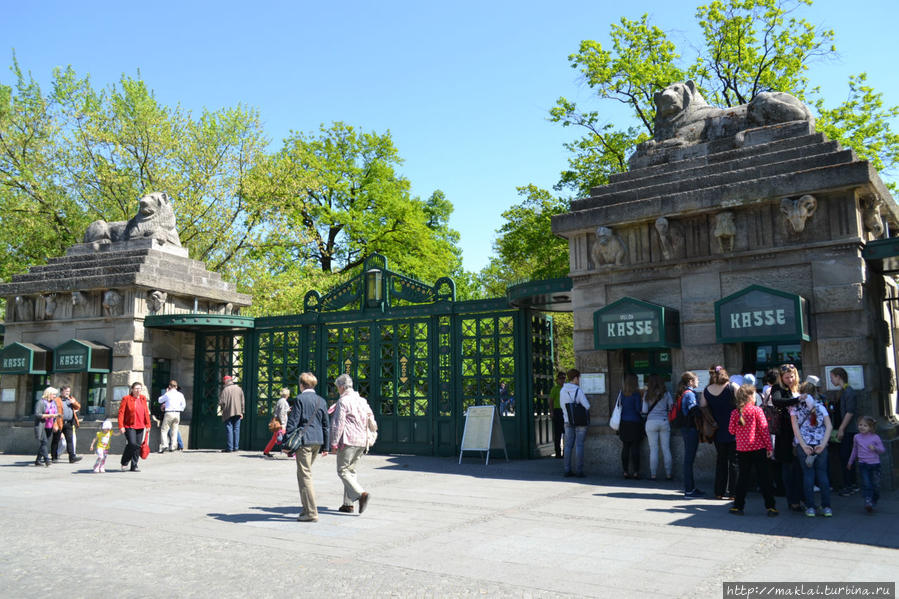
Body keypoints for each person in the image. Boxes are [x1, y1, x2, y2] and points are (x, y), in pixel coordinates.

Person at [285, 374, 330, 522]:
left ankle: (311, 512)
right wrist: (326, 446)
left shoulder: (299, 399)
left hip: (304, 441)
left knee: (305, 476)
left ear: (301, 385)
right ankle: (306, 508)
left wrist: (287, 444)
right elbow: (326, 424)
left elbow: (293, 422)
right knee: (304, 474)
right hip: (318, 441)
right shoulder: (321, 400)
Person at [728, 384, 777, 516]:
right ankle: (770, 507)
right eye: (754, 395)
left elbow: (731, 430)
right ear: (750, 397)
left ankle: (738, 506)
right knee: (764, 478)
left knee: (743, 478)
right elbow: (764, 430)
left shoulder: (735, 413)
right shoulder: (757, 411)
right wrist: (769, 447)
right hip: (758, 448)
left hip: (742, 449)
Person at [330, 374, 375, 515]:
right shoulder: (362, 400)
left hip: (348, 440)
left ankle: (361, 494)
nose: (338, 390)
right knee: (351, 471)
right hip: (362, 441)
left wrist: (334, 442)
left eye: (338, 387)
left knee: (342, 470)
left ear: (342, 387)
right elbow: (370, 419)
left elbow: (338, 423)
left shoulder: (343, 401)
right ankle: (348, 504)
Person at [791, 376, 833, 517]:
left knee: (808, 476)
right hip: (820, 444)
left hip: (805, 446)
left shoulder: (795, 408)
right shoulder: (820, 406)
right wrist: (823, 444)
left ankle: (810, 507)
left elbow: (795, 429)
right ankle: (827, 507)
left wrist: (803, 445)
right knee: (823, 475)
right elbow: (829, 426)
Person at [700, 365, 739, 499]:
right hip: (734, 430)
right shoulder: (732, 387)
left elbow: (703, 407)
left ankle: (719, 492)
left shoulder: (707, 390)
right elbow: (743, 404)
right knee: (734, 462)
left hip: (717, 429)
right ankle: (733, 493)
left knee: (721, 461)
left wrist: (712, 421)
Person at [771, 363, 803, 511]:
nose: (790, 379)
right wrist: (796, 400)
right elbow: (777, 401)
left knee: (799, 468)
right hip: (785, 433)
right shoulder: (777, 388)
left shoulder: (799, 387)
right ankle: (792, 500)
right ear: (781, 378)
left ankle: (800, 497)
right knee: (788, 467)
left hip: (801, 432)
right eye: (786, 377)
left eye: (792, 376)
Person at [829, 368, 859, 496]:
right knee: (844, 457)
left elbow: (850, 412)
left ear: (838, 377)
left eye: (832, 377)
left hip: (848, 430)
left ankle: (849, 485)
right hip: (845, 429)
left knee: (846, 457)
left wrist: (841, 428)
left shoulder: (849, 392)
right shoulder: (843, 391)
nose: (831, 380)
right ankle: (850, 483)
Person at [847, 415, 885, 513]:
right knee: (866, 483)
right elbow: (854, 450)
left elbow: (882, 450)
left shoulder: (875, 437)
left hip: (875, 465)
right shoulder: (856, 437)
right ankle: (868, 501)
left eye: (865, 425)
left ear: (870, 427)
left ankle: (874, 499)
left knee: (876, 485)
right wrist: (850, 461)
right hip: (863, 464)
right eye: (860, 425)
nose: (862, 427)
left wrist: (875, 448)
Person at [677, 372, 705, 498]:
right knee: (689, 460)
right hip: (690, 429)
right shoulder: (689, 394)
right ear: (690, 382)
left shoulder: (684, 393)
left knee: (689, 459)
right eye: (696, 380)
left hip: (686, 428)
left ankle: (691, 488)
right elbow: (694, 410)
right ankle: (689, 490)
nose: (698, 382)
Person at [641, 374, 673, 481]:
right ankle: (668, 474)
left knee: (653, 449)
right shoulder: (666, 393)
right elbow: (671, 407)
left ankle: (653, 475)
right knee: (666, 449)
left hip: (651, 422)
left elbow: (645, 410)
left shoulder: (647, 394)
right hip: (664, 421)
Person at [560, 368, 590, 478]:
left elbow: (563, 406)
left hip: (567, 420)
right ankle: (579, 471)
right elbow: (587, 405)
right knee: (579, 445)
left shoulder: (562, 390)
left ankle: (567, 470)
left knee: (567, 446)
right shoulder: (578, 390)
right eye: (579, 378)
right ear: (576, 378)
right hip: (580, 421)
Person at [117, 382, 151, 472]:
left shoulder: (143, 398)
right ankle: (124, 462)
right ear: (132, 389)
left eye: (139, 388)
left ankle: (134, 465)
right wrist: (121, 426)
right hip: (129, 425)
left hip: (140, 425)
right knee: (132, 444)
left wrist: (148, 424)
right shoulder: (126, 399)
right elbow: (121, 413)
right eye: (136, 388)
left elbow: (146, 412)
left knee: (138, 446)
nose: (138, 390)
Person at [617, 373, 643, 479]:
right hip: (635, 422)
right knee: (635, 447)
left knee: (625, 447)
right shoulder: (636, 394)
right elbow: (638, 409)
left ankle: (625, 471)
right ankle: (636, 471)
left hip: (624, 423)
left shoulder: (621, 394)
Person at [51, 385, 82, 463]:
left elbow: (78, 407)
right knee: (56, 440)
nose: (68, 393)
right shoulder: (57, 400)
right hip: (59, 423)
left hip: (69, 423)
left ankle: (72, 457)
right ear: (62, 392)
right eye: (66, 391)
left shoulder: (71, 399)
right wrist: (54, 424)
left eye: (69, 391)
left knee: (70, 440)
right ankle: (54, 457)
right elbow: (53, 412)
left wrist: (74, 402)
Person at [157, 380, 186, 453]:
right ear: (176, 386)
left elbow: (160, 400)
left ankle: (164, 445)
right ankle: (173, 446)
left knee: (164, 430)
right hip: (177, 413)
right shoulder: (180, 394)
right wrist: (179, 409)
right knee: (175, 430)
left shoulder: (168, 394)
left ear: (169, 386)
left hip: (169, 413)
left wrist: (166, 392)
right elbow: (184, 405)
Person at [34, 387, 60, 467]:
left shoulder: (53, 403)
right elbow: (37, 414)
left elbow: (55, 414)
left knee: (44, 444)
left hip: (50, 425)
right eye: (54, 394)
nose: (55, 396)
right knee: (44, 442)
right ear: (48, 394)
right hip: (42, 425)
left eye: (56, 394)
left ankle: (38, 460)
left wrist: (55, 423)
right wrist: (49, 415)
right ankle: (47, 460)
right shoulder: (41, 402)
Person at [218, 375, 245, 453]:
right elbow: (242, 401)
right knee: (236, 429)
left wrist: (222, 408)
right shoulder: (239, 389)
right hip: (238, 412)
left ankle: (229, 448)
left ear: (225, 382)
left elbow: (221, 402)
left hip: (228, 412)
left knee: (229, 429)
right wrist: (242, 412)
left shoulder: (225, 390)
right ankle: (236, 447)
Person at [264, 388, 292, 458]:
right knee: (285, 438)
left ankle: (266, 451)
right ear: (287, 394)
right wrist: (283, 424)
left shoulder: (280, 401)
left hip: (278, 422)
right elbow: (282, 413)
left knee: (274, 439)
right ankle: (289, 452)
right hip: (281, 423)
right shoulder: (283, 402)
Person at [548, 371, 566, 459]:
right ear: (557, 379)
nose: (562, 380)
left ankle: (566, 452)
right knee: (557, 434)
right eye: (561, 378)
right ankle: (558, 453)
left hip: (565, 412)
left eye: (564, 378)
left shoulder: (566, 388)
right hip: (557, 411)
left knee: (566, 433)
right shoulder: (555, 389)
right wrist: (551, 412)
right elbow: (551, 401)